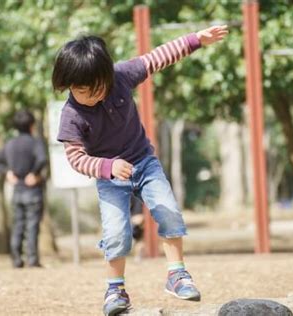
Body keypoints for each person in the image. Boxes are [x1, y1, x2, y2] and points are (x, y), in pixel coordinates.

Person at [52, 25, 228, 315]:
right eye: (80, 90)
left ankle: (177, 274)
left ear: (106, 76)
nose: (89, 96)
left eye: (95, 89)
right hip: (110, 178)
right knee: (117, 232)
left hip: (144, 162)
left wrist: (197, 39)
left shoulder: (121, 76)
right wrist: (106, 166)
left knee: (168, 210)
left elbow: (158, 57)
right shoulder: (71, 115)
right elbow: (76, 158)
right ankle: (115, 289)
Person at [0, 110, 47, 268]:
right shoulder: (35, 142)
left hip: (17, 191)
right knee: (32, 225)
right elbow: (42, 159)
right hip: (33, 190)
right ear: (31, 125)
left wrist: (7, 172)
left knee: (18, 225)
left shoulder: (10, 143)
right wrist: (34, 173)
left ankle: (16, 259)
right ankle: (32, 259)